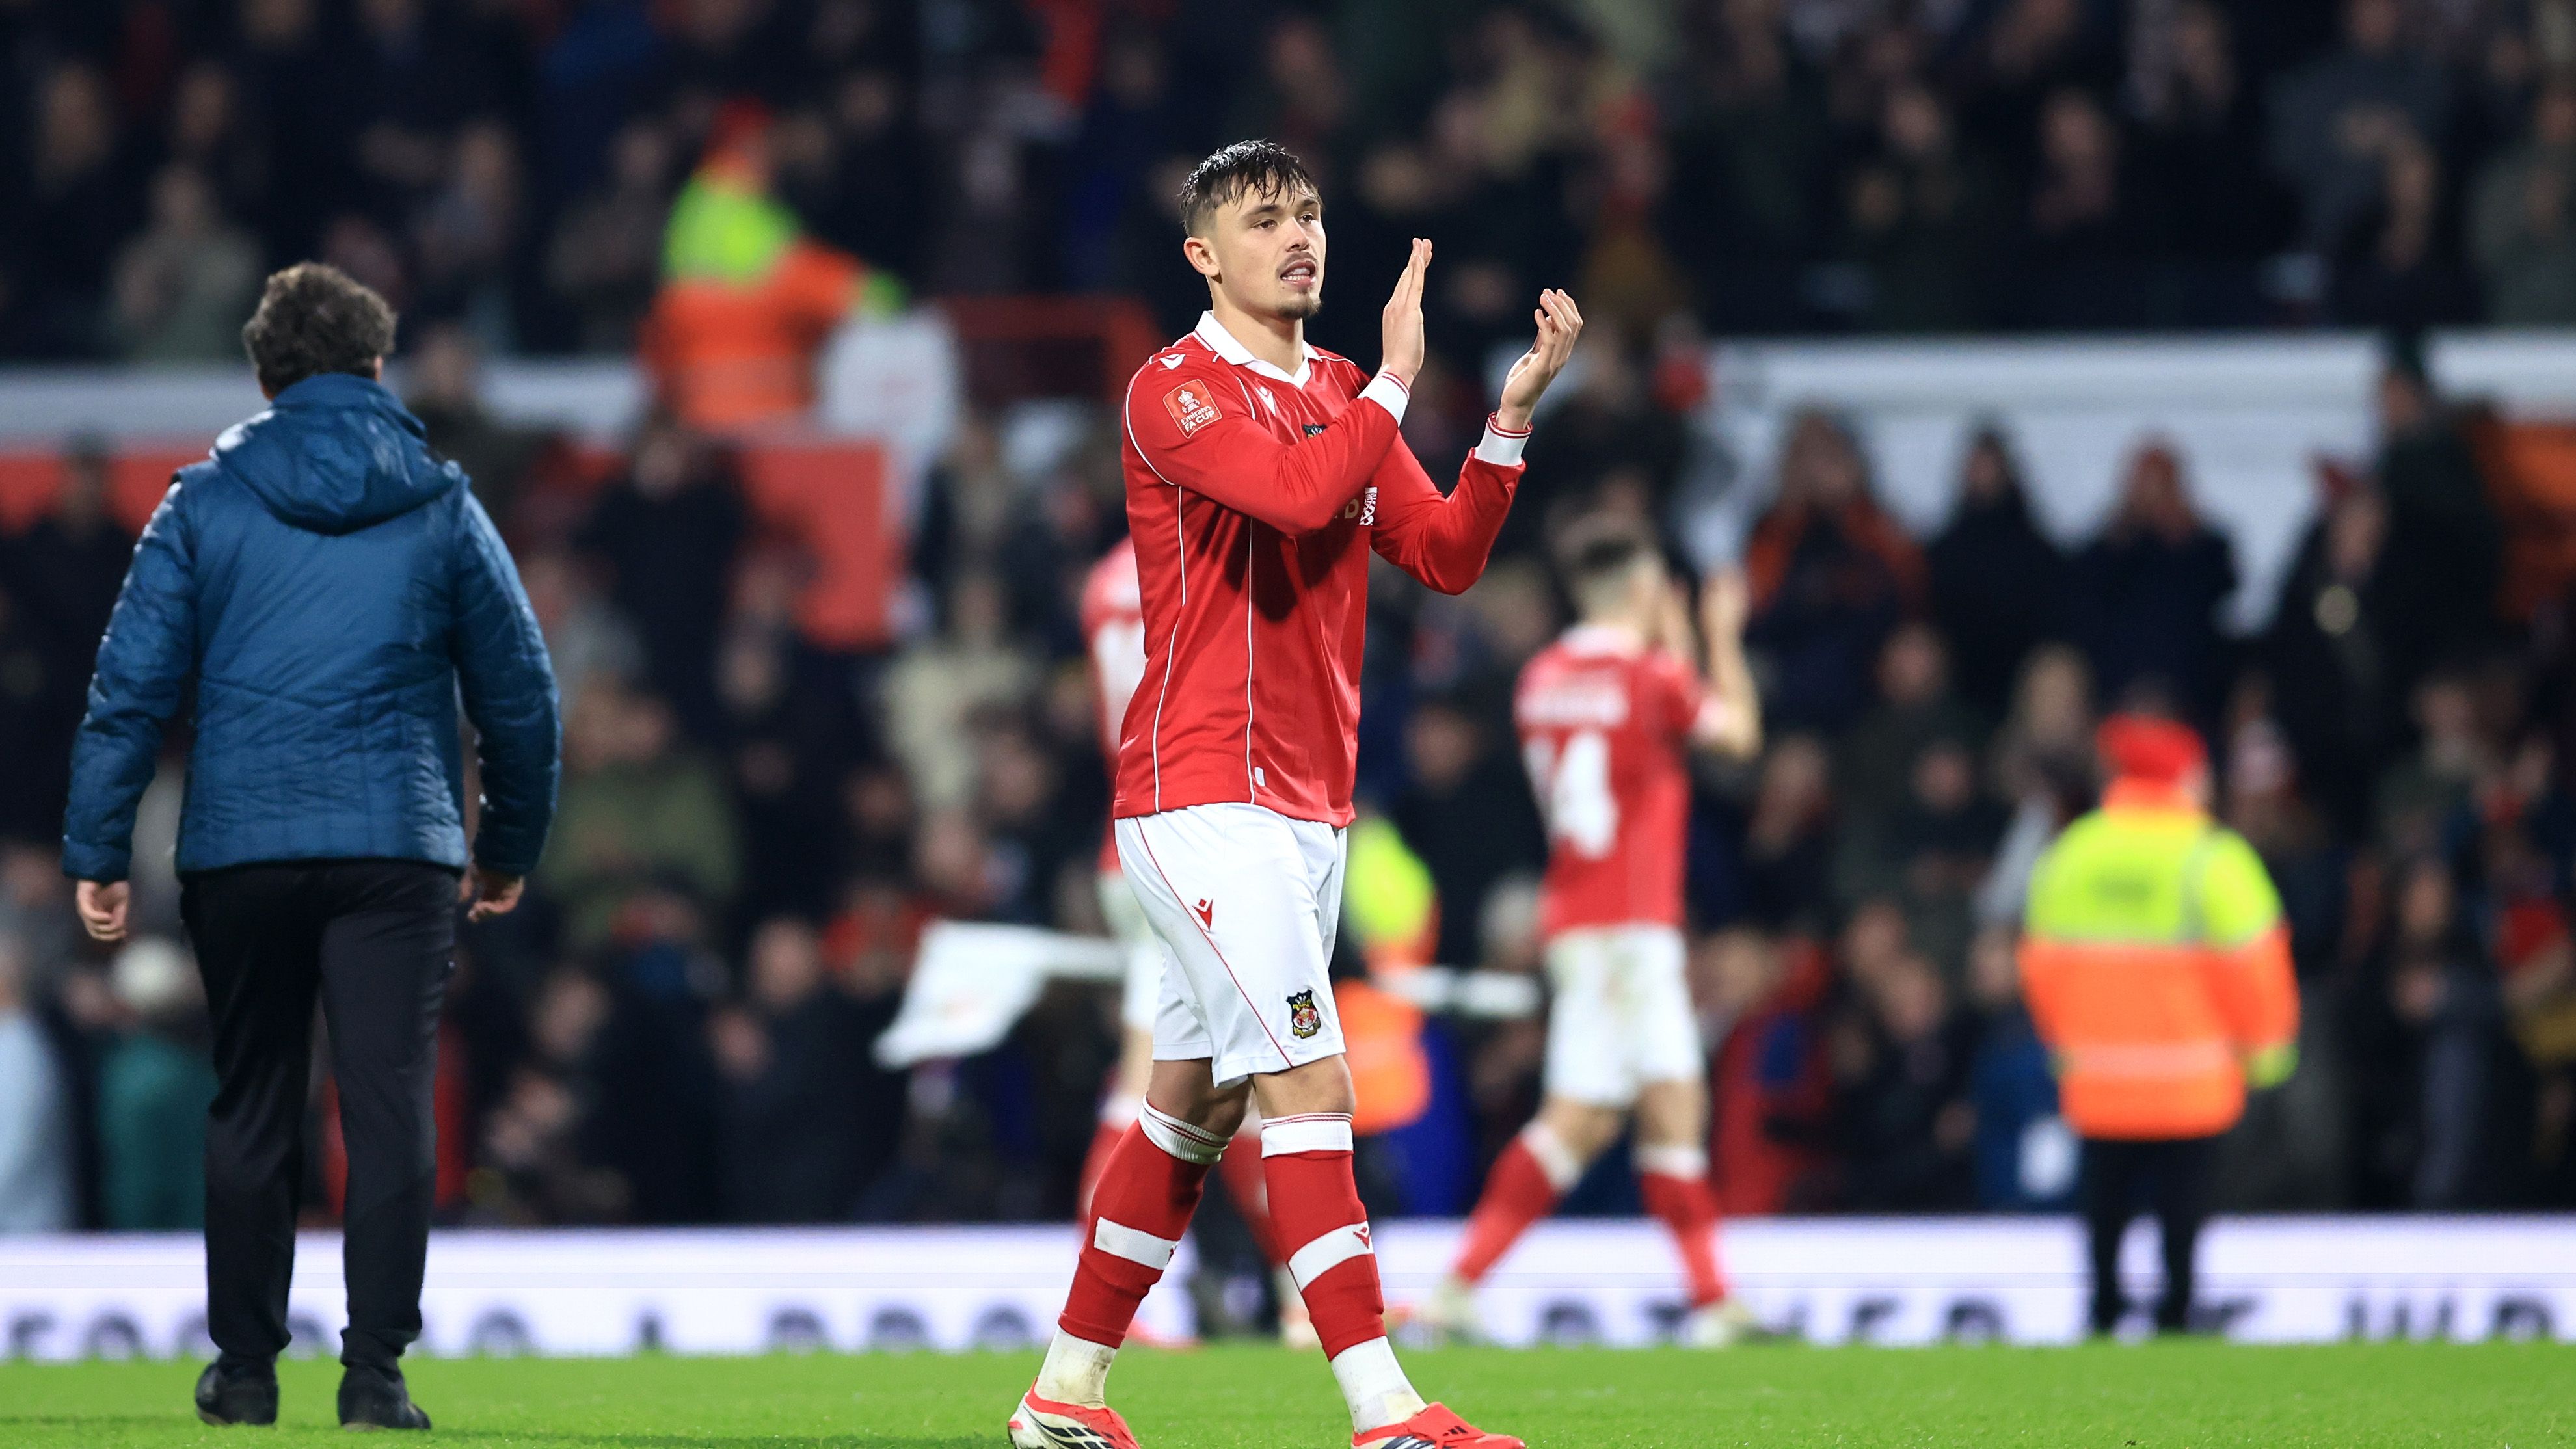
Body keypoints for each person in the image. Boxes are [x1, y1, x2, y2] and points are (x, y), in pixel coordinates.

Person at [1008, 140, 1579, 1449]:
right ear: (1205, 253)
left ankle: (1063, 1396)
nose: (1299, 236)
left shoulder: (1334, 388)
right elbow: (1300, 489)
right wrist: (1393, 379)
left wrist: (1506, 420)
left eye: (1311, 213)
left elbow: (1439, 557)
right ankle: (1387, 1412)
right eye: (1266, 220)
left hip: (1308, 806)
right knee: (1311, 1089)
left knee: (1193, 1107)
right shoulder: (1175, 394)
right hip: (1198, 789)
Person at [60, 263, 559, 1429]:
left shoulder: (203, 502)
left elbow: (127, 688)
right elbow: (522, 695)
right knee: (389, 1102)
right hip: (400, 845)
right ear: (378, 368)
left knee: (252, 1101)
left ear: (265, 375)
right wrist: (507, 843)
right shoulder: (441, 502)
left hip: (243, 847)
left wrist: (96, 842)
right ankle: (375, 1372)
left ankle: (243, 1370)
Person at [1417, 524, 1763, 1346]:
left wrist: (1668, 641)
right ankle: (1713, 1302)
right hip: (1633, 924)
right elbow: (1736, 734)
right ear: (1646, 594)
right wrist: (1718, 633)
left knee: (1594, 1115)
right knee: (1651, 1102)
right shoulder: (1652, 676)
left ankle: (1459, 1290)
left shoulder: (1540, 678)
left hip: (1575, 915)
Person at [1073, 535, 1311, 1349]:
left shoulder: (1105, 579)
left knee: (1227, 1073)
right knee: (1158, 1075)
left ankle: (1295, 1293)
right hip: (1186, 826)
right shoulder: (1195, 559)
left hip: (1136, 826)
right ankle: (1116, 1310)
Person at [2018, 715, 2297, 1336]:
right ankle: (2177, 1316)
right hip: (2192, 1082)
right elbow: (2257, 968)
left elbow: (2041, 968)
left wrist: (2065, 1044)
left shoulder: (2071, 854)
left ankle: (2103, 1314)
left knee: (2104, 1210)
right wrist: (2267, 1056)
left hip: (2099, 1082)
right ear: (2185, 779)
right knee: (2183, 1212)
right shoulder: (2213, 858)